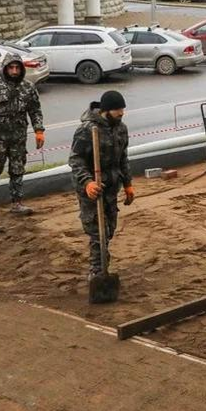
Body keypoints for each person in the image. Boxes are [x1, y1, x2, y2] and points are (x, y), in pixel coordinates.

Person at [68, 90, 134, 279]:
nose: (121, 113)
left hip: (111, 188)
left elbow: (123, 158)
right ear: (106, 110)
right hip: (91, 190)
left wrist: (128, 184)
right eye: (117, 110)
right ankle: (97, 272)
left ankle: (101, 266)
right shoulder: (87, 130)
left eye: (122, 109)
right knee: (98, 232)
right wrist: (87, 183)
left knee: (109, 230)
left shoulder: (121, 129)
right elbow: (75, 160)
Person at [0, 54, 45, 217]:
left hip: (18, 138)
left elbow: (35, 110)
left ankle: (17, 203)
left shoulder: (28, 87)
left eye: (17, 68)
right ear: (5, 68)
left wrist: (39, 131)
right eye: (11, 68)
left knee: (17, 170)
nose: (14, 71)